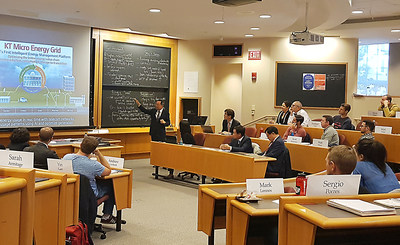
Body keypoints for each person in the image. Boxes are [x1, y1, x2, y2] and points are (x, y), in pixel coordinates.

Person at [63, 136, 117, 224]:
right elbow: (108, 170)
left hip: (71, 191)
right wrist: (99, 154)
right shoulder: (94, 164)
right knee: (111, 187)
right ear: (93, 150)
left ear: (80, 145)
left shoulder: (67, 157)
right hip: (89, 194)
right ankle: (106, 215)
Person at [135, 98, 172, 178]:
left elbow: (168, 123)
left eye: (158, 104)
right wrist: (139, 105)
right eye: (156, 104)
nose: (156, 105)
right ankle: (156, 163)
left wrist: (165, 123)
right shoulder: (153, 111)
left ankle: (163, 163)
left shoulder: (166, 113)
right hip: (154, 133)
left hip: (161, 133)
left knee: (162, 149)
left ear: (162, 105)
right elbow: (145, 111)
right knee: (155, 149)